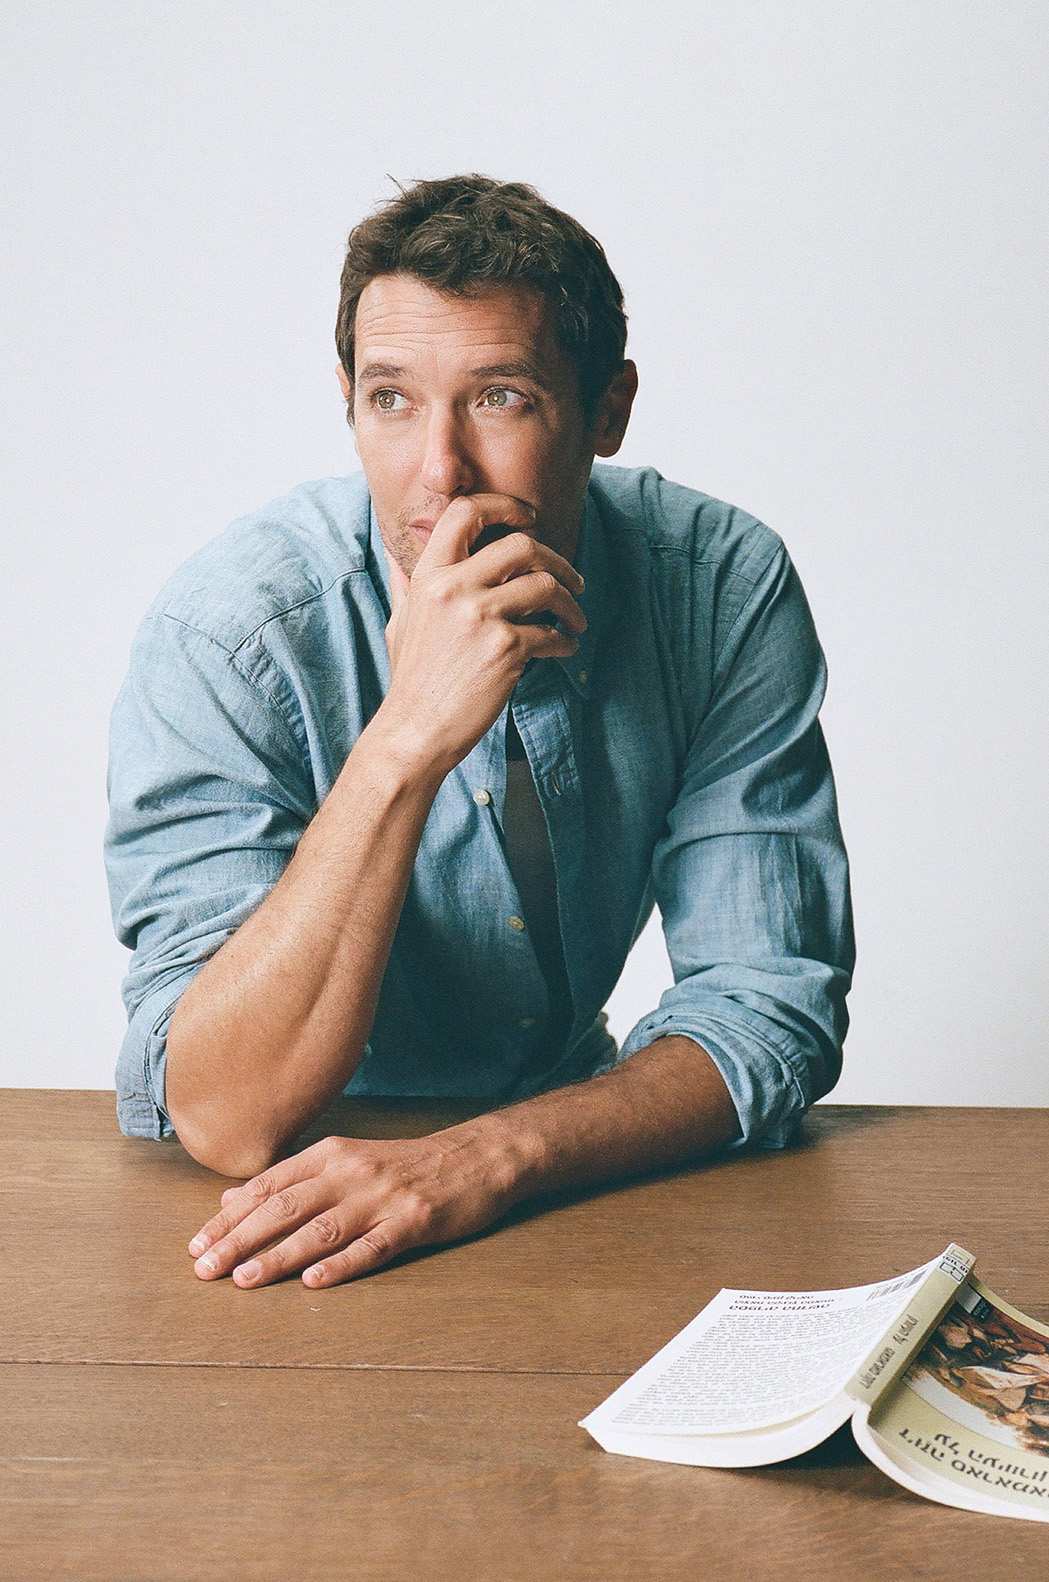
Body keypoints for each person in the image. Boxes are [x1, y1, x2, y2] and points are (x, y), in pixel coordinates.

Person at [104, 175, 854, 1292]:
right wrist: (406, 736)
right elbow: (223, 1112)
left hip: (575, 1171)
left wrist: (487, 1159)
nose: (439, 471)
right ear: (348, 403)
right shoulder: (230, 635)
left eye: (499, 397)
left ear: (607, 409)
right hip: (275, 1222)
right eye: (391, 400)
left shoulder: (716, 585)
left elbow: (766, 1004)